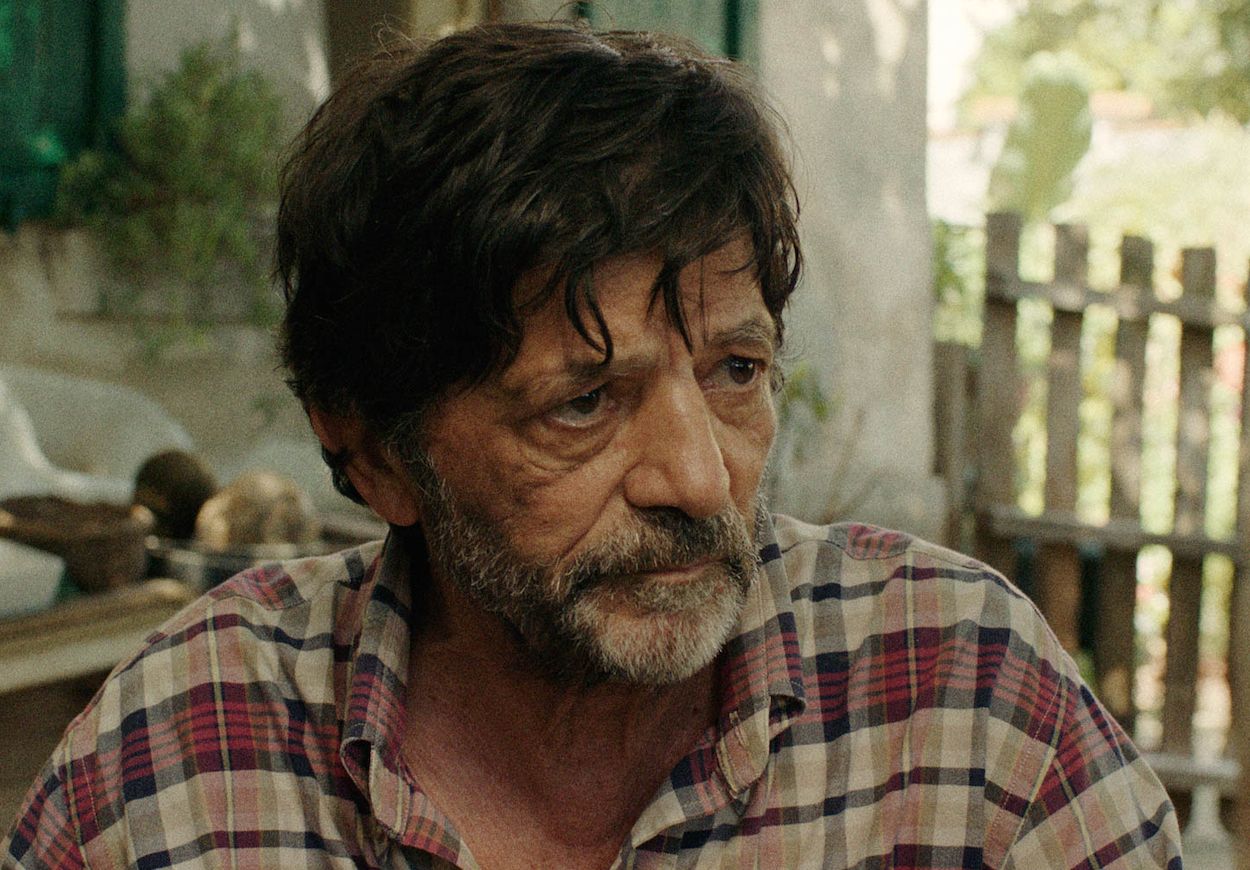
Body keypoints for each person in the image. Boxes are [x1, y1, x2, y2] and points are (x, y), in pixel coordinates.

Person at [4, 22, 1181, 870]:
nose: (700, 479)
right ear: (372, 453)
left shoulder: (960, 704)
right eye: (582, 403)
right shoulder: (187, 755)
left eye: (734, 372)